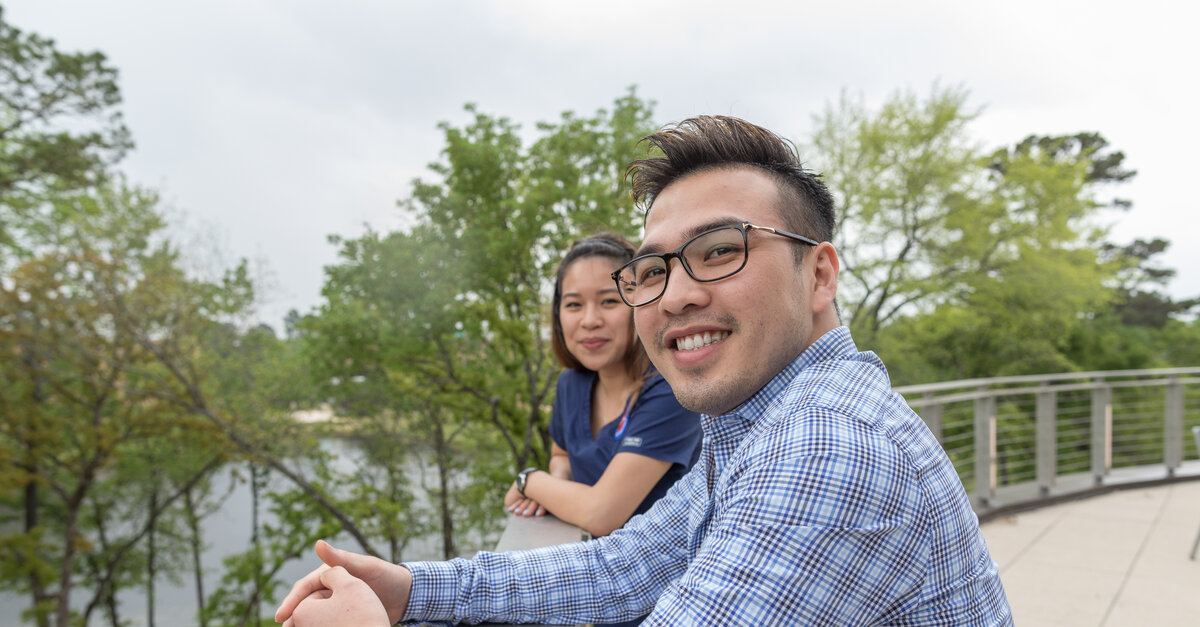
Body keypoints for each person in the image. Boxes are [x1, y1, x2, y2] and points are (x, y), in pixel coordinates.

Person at [276, 115, 1013, 626]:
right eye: (653, 267)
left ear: (819, 275)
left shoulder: (826, 445)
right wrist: (411, 589)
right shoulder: (756, 424)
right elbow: (622, 568)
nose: (678, 292)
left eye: (721, 249)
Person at [502, 233, 702, 627]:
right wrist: (554, 486)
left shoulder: (670, 389)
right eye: (574, 304)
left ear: (640, 302)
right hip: (605, 590)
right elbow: (562, 453)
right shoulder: (571, 385)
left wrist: (530, 481)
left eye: (609, 301)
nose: (590, 319)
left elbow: (602, 513)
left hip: (671, 602)